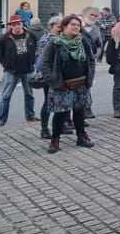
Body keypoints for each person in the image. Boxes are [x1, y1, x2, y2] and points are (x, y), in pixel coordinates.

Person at [39, 14, 96, 153]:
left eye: (78, 25)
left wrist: (90, 77)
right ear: (64, 26)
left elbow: (91, 60)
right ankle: (55, 140)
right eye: (73, 25)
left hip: (80, 83)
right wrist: (52, 80)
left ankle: (81, 136)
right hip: (61, 84)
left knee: (79, 110)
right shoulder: (55, 42)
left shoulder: (83, 41)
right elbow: (44, 63)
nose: (76, 27)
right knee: (59, 114)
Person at [0, 15, 38, 128]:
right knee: (6, 96)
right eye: (14, 24)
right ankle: (1, 120)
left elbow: (35, 48)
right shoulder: (5, 38)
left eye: (19, 24)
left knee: (29, 94)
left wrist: (33, 62)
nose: (17, 26)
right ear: (11, 26)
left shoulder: (30, 35)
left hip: (27, 70)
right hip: (11, 71)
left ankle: (30, 116)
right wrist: (6, 64)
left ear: (22, 24)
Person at [35, 16, 63, 139]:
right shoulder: (45, 40)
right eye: (58, 27)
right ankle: (44, 128)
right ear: (51, 27)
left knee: (61, 101)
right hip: (49, 75)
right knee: (48, 101)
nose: (60, 29)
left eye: (61, 27)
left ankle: (61, 126)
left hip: (61, 75)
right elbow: (43, 60)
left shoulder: (62, 38)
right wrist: (49, 76)